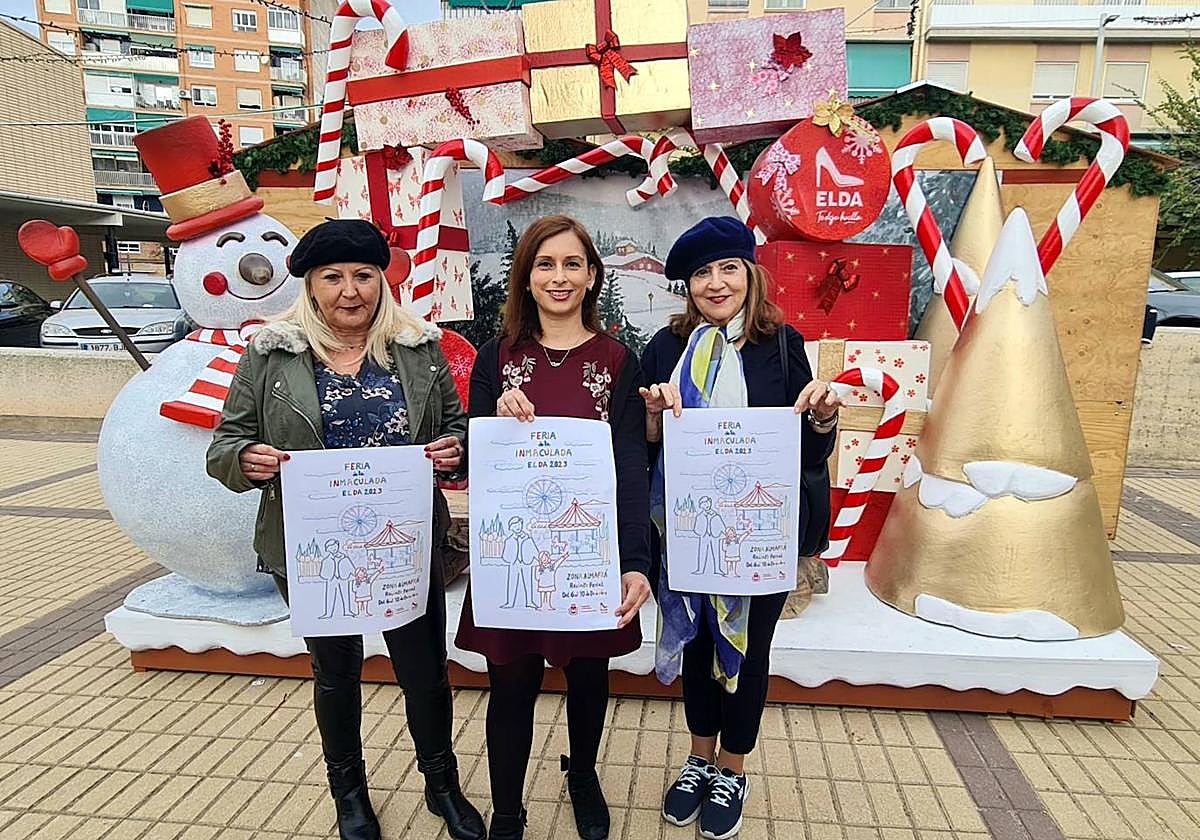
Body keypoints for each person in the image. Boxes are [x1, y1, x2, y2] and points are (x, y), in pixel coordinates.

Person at [207, 219, 486, 840]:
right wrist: (246, 461)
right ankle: (350, 796)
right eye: (332, 277)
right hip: (311, 549)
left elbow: (459, 429)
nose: (350, 290)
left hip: (405, 544)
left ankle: (442, 786)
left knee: (424, 672)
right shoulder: (271, 353)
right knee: (335, 673)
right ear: (309, 285)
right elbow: (226, 444)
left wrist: (454, 452)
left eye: (363, 275)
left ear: (382, 281)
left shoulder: (419, 348)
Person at [640, 217, 842, 840]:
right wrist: (653, 416)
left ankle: (733, 766)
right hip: (688, 530)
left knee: (750, 652)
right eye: (702, 273)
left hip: (760, 532)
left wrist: (823, 418)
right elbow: (646, 450)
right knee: (700, 646)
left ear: (750, 274)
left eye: (728, 267)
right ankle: (699, 758)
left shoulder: (782, 345)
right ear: (688, 285)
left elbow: (806, 453)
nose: (715, 282)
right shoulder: (665, 349)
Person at [456, 215, 653, 840]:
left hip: (586, 554)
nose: (560, 277)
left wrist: (636, 560)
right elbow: (470, 454)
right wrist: (490, 418)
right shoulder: (497, 358)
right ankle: (508, 808)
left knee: (590, 675)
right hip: (515, 556)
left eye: (573, 264)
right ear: (527, 278)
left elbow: (631, 465)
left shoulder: (618, 360)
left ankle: (583, 773)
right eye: (546, 264)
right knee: (510, 682)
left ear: (592, 275)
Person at [501, 516, 539, 609]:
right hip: (514, 563)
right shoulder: (509, 540)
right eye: (514, 525)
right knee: (512, 582)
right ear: (511, 528)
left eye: (519, 524)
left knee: (528, 582)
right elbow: (505, 555)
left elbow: (535, 551)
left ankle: (529, 601)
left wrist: (540, 561)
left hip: (526, 563)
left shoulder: (528, 538)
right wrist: (510, 559)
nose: (517, 527)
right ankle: (510, 602)